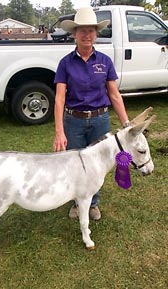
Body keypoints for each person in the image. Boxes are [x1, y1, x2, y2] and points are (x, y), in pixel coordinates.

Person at [53, 7, 130, 220]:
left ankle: (93, 203)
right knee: (74, 163)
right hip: (73, 121)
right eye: (82, 31)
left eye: (91, 31)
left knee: (97, 164)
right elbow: (59, 98)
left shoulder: (105, 61)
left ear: (96, 34)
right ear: (74, 34)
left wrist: (126, 124)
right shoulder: (65, 63)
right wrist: (59, 131)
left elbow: (114, 95)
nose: (87, 35)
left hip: (100, 120)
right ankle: (77, 203)